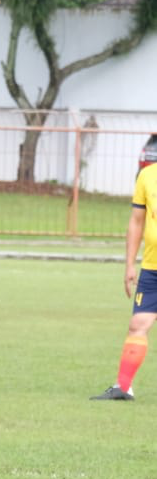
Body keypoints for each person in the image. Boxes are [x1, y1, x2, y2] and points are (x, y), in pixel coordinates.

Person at [90, 161, 157, 400]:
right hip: (152, 268)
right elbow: (137, 221)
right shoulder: (148, 175)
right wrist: (130, 263)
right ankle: (123, 386)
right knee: (138, 324)